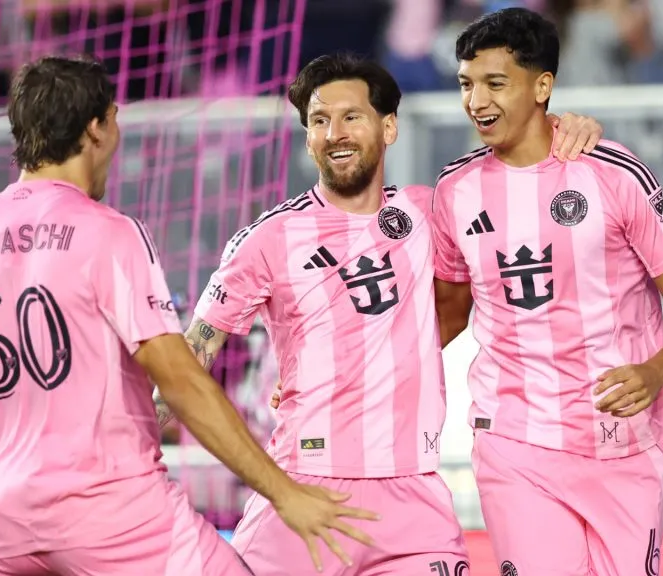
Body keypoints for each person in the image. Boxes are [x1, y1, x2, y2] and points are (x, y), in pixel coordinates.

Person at [0, 54, 377, 576]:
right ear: (96, 129)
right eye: (114, 118)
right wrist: (285, 494)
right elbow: (179, 380)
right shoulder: (107, 233)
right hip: (116, 521)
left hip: (5, 530)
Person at [166, 52, 604, 576]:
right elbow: (186, 359)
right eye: (319, 121)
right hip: (307, 485)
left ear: (389, 125)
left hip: (414, 500)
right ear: (307, 136)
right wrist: (138, 435)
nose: (335, 133)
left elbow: (514, 183)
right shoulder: (268, 238)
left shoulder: (430, 211)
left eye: (351, 116)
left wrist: (564, 127)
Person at [431, 8, 663, 576]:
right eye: (467, 83)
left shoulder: (614, 175)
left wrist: (654, 371)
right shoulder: (454, 190)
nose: (476, 101)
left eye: (495, 83)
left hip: (622, 442)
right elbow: (445, 317)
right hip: (514, 439)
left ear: (542, 86)